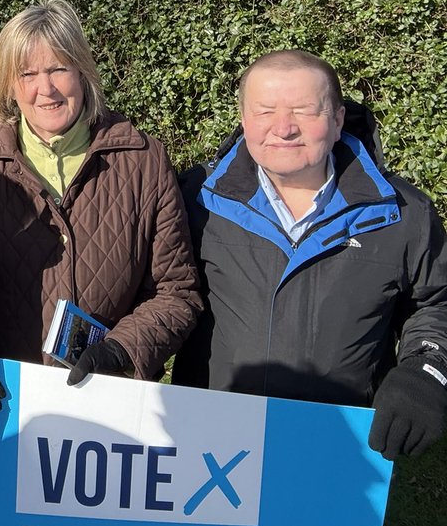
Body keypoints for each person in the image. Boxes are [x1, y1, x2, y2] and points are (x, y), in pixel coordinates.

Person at [0, 0, 202, 522]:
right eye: (28, 73)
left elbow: (177, 292)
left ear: (83, 71)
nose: (46, 88)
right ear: (9, 85)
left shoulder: (142, 159)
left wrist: (121, 352)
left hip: (104, 421)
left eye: (59, 68)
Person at [171, 50, 447, 460]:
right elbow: (158, 290)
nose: (283, 128)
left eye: (303, 111)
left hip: (340, 444)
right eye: (264, 111)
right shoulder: (195, 200)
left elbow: (435, 305)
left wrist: (426, 372)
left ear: (337, 120)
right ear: (244, 120)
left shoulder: (404, 214)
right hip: (213, 437)